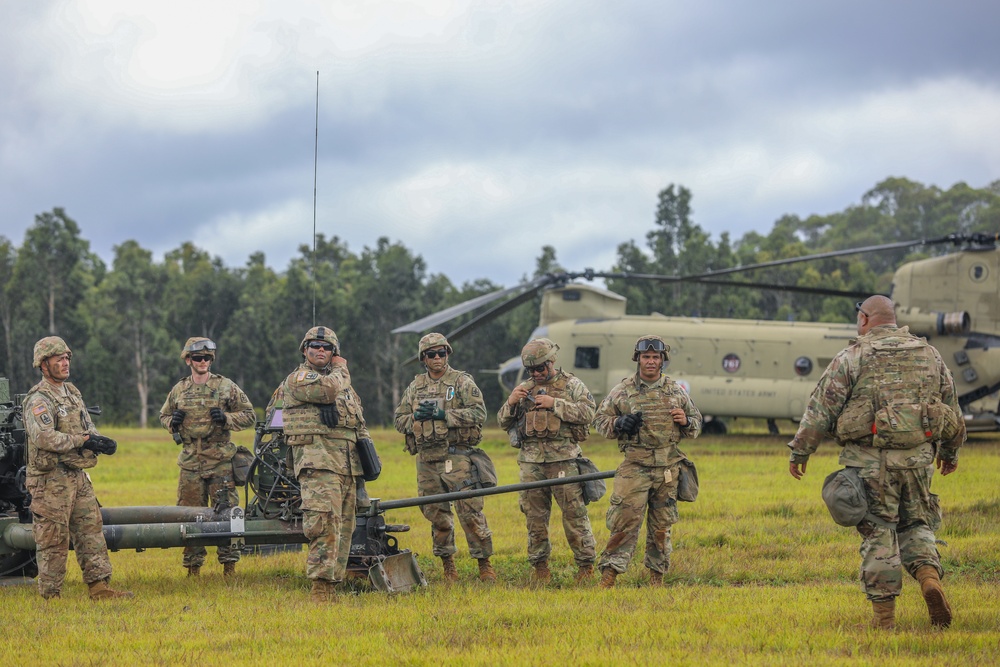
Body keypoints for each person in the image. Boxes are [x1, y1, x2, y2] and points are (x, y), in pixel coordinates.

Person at [788, 295, 965, 630]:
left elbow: (821, 408)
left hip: (871, 465)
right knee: (917, 526)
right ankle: (929, 578)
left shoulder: (854, 356)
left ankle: (884, 620)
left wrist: (801, 451)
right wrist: (949, 452)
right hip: (918, 462)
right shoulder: (929, 354)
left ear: (865, 319)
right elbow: (951, 411)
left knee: (878, 533)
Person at [21, 336, 132, 600]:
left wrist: (99, 440)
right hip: (50, 480)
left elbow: (86, 425)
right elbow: (44, 437)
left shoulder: (72, 392)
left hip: (77, 475)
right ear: (43, 364)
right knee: (53, 539)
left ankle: (100, 587)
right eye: (58, 358)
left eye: (67, 357)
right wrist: (81, 441)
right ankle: (51, 595)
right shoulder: (38, 399)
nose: (65, 362)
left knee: (90, 530)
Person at [593, 335, 702, 589]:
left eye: (655, 357)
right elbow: (599, 421)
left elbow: (696, 426)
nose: (651, 362)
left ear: (662, 361)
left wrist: (685, 421)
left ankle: (657, 578)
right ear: (638, 359)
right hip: (635, 468)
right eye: (646, 357)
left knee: (662, 527)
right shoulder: (623, 391)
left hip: (667, 470)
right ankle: (609, 576)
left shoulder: (676, 391)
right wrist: (618, 423)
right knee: (624, 522)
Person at [394, 333, 495, 583]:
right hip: (427, 459)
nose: (437, 358)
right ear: (423, 359)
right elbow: (399, 420)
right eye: (431, 354)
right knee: (436, 514)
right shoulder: (415, 387)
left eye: (442, 353)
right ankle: (448, 565)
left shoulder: (460, 382)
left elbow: (479, 413)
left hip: (457, 456)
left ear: (448, 354)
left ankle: (484, 564)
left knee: (470, 512)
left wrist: (444, 415)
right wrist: (415, 417)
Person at [281, 326, 371, 602]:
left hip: (347, 465)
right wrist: (342, 371)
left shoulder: (345, 387)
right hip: (318, 462)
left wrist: (367, 464)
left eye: (327, 347)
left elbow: (359, 423)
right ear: (305, 350)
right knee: (323, 524)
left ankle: (334, 585)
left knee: (345, 526)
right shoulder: (300, 378)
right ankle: (320, 590)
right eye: (315, 346)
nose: (321, 351)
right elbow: (329, 390)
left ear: (334, 352)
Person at [497, 337, 597, 583]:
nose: (537, 373)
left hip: (564, 461)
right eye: (532, 370)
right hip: (531, 464)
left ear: (552, 361)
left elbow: (589, 412)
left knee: (574, 515)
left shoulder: (571, 384)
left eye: (541, 368)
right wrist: (511, 402)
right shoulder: (524, 389)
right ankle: (540, 568)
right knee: (534, 518)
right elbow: (502, 421)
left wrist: (556, 404)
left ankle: (585, 567)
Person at [159, 337, 256, 577]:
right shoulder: (179, 389)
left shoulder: (226, 386)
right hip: (191, 461)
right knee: (189, 514)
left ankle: (229, 567)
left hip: (220, 460)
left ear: (211, 360)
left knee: (226, 514)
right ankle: (193, 568)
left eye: (207, 358)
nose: (203, 362)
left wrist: (227, 418)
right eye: (198, 358)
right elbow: (163, 416)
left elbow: (249, 415)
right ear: (188, 360)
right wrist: (173, 422)